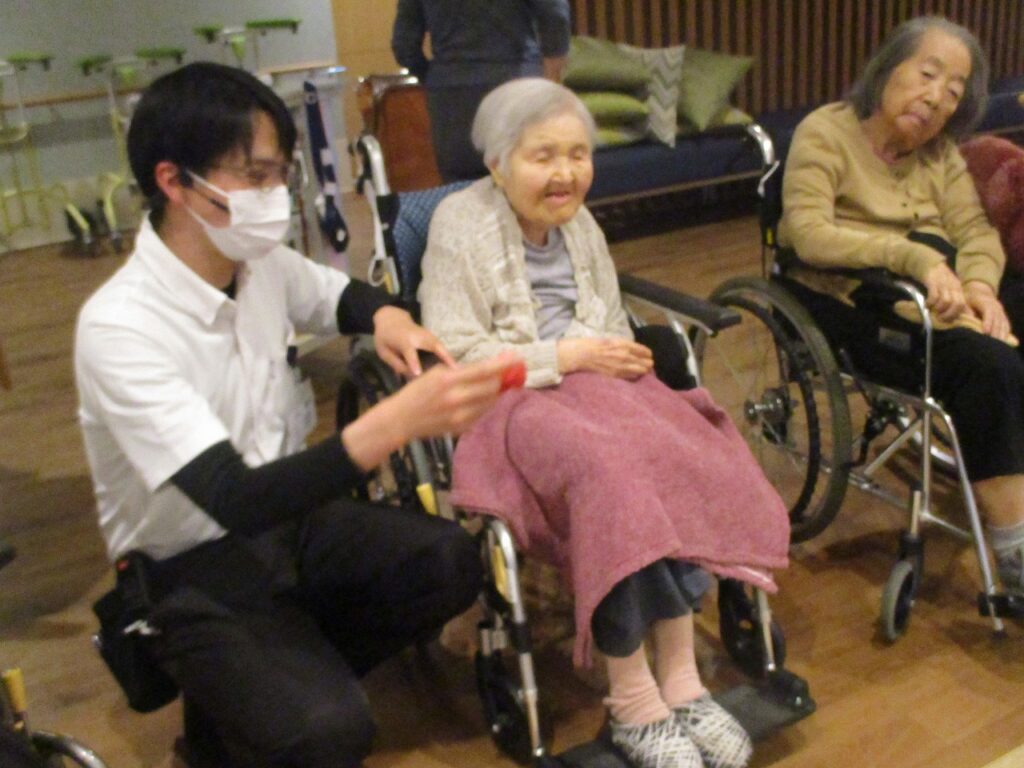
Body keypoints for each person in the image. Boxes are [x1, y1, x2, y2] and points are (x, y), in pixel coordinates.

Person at [74, 62, 519, 768]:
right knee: (329, 732)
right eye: (255, 176)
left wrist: (390, 318)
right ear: (174, 181)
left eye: (282, 174)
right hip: (188, 565)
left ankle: (268, 679)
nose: (275, 195)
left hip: (291, 523)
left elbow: (342, 299)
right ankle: (238, 702)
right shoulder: (121, 328)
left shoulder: (259, 265)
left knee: (448, 562)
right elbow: (235, 498)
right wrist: (398, 422)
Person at [419, 77, 792, 768]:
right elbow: (455, 352)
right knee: (611, 477)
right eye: (543, 156)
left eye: (578, 154)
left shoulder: (580, 224)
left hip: (597, 387)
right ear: (497, 162)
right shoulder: (457, 224)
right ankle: (632, 697)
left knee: (680, 450)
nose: (565, 173)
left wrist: (599, 357)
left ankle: (681, 681)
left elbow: (610, 322)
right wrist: (564, 356)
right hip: (508, 401)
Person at [777, 16, 1024, 597]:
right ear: (888, 68)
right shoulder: (825, 133)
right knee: (989, 367)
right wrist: (913, 257)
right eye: (928, 74)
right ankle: (1015, 549)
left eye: (954, 91)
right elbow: (808, 233)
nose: (936, 98)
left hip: (941, 283)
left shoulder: (939, 154)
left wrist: (981, 288)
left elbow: (975, 232)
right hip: (851, 291)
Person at [391, 0, 570, 183]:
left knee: (461, 190)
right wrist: (550, 75)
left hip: (450, 96)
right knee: (526, 183)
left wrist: (435, 77)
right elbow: (556, 14)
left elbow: (404, 46)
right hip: (518, 85)